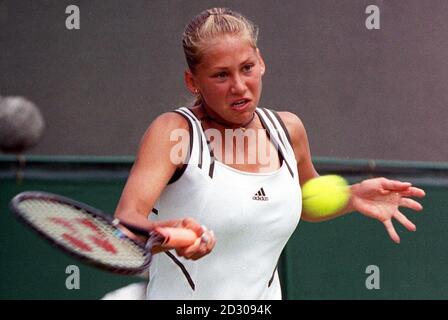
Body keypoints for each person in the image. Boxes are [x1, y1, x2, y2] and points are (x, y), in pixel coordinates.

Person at [113, 7, 425, 300]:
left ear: (261, 62)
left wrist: (353, 196)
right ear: (192, 82)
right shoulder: (173, 132)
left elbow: (305, 201)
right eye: (221, 75)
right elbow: (127, 222)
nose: (239, 86)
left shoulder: (288, 130)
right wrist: (168, 235)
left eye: (247, 68)